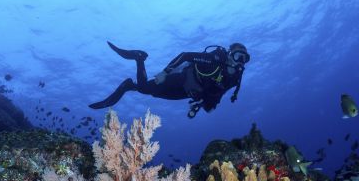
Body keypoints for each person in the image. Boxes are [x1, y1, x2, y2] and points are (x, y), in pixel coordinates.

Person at [89, 41, 250, 118]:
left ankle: (131, 85)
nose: (240, 61)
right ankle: (139, 58)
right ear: (230, 54)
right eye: (238, 56)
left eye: (244, 59)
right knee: (145, 88)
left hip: (188, 93)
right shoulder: (215, 59)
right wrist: (166, 72)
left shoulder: (235, 78)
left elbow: (218, 93)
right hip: (181, 79)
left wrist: (201, 105)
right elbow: (186, 55)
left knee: (148, 91)